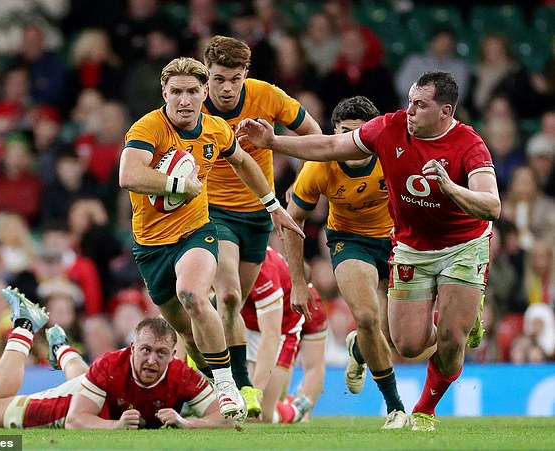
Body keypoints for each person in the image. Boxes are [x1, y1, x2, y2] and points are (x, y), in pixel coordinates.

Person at [238, 71, 501, 431]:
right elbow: (329, 147)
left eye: (420, 105)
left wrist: (450, 188)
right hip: (406, 245)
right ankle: (367, 347)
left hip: (462, 245)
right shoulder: (386, 130)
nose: (409, 110)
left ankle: (422, 411)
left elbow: (492, 206)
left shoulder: (469, 144)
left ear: (445, 111)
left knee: (452, 338)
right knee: (406, 344)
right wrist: (273, 142)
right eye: (409, 101)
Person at [118, 56, 304, 421]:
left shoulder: (215, 129)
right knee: (189, 334)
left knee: (194, 295)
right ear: (164, 93)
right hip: (151, 245)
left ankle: (228, 385)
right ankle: (208, 385)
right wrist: (178, 185)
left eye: (191, 92)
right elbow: (128, 174)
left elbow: (244, 162)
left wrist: (272, 205)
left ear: (204, 92)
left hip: (197, 232)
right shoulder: (148, 128)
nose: (184, 100)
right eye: (176, 92)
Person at [202, 35, 322, 416]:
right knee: (231, 296)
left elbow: (316, 137)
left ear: (246, 75)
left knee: (229, 308)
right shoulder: (190, 105)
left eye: (234, 79)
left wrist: (274, 143)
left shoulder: (267, 96)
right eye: (218, 78)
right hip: (212, 211)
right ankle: (239, 385)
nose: (225, 88)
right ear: (207, 74)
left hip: (257, 213)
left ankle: (210, 373)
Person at [282, 95, 407, 429]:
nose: (350, 144)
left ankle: (359, 350)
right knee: (367, 316)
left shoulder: (392, 153)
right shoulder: (319, 166)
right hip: (350, 242)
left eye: (359, 134)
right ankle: (395, 408)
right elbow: (292, 222)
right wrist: (297, 281)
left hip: (398, 241)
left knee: (399, 335)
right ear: (334, 133)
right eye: (344, 134)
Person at [0, 287, 228, 430]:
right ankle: (25, 323)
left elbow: (223, 417)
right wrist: (116, 426)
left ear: (173, 356)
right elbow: (76, 420)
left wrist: (186, 423)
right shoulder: (110, 365)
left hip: (97, 389)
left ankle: (62, 349)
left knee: (87, 378)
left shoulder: (181, 375)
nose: (152, 360)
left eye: (161, 353)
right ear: (132, 348)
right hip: (78, 406)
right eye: (145, 350)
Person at [242, 247, 326, 424]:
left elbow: (315, 365)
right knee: (242, 412)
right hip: (249, 325)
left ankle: (297, 409)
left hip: (281, 332)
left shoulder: (313, 305)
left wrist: (255, 393)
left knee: (261, 415)